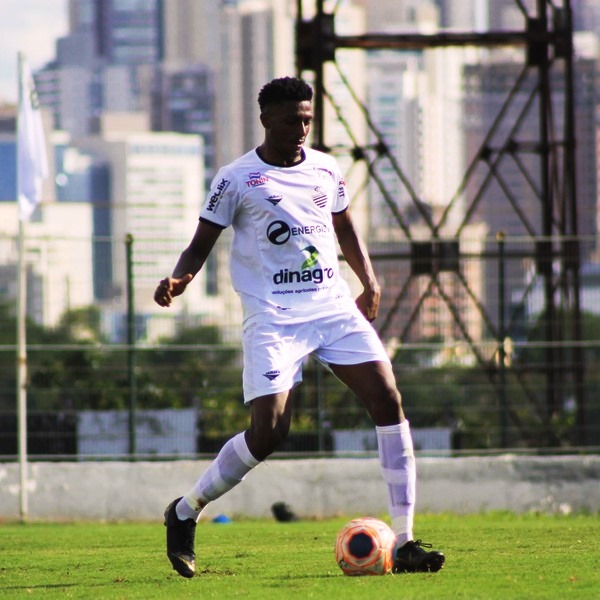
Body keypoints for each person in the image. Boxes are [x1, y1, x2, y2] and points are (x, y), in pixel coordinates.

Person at [154, 76, 445, 578]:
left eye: (307, 120)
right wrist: (180, 277)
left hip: (332, 309)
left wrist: (368, 280)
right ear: (266, 119)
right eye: (292, 121)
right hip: (273, 317)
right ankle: (184, 512)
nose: (301, 129)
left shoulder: (326, 168)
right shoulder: (236, 177)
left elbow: (344, 226)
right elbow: (201, 242)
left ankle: (404, 542)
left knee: (388, 399)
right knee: (269, 433)